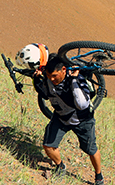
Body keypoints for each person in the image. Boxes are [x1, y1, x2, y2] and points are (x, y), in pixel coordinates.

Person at [31, 52, 104, 185]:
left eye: (54, 76)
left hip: (83, 121)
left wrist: (75, 80)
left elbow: (82, 104)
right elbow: (45, 94)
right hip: (61, 118)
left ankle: (98, 175)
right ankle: (60, 166)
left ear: (63, 70)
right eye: (48, 76)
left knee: (91, 150)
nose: (51, 79)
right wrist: (37, 80)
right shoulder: (49, 79)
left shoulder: (77, 79)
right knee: (48, 146)